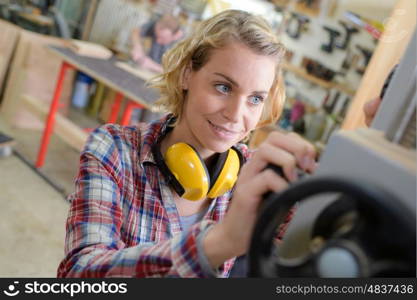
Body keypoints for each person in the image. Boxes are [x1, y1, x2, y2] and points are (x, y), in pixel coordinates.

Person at [57, 9, 317, 278]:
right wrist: (219, 242)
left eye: (255, 99)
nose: (235, 115)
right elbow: (79, 273)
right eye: (224, 87)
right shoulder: (113, 149)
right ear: (186, 75)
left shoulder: (256, 176)